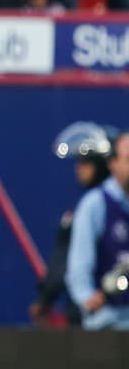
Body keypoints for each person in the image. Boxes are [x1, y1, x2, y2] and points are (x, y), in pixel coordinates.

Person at [32, 122, 112, 326]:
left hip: (98, 313)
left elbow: (63, 260)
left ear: (101, 165)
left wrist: (45, 299)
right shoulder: (90, 205)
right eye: (78, 162)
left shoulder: (95, 206)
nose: (79, 168)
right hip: (89, 309)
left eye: (86, 162)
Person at [66, 132, 129, 330]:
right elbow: (79, 265)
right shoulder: (95, 204)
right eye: (128, 159)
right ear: (113, 164)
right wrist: (87, 298)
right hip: (107, 325)